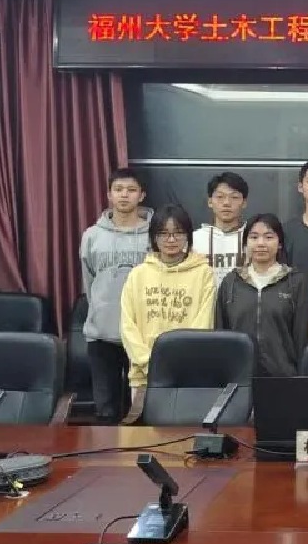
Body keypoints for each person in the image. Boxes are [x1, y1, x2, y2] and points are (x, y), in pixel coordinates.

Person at [80, 167, 152, 424]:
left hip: (142, 335)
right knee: (106, 412)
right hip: (102, 334)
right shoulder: (92, 235)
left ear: (141, 195)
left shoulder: (154, 236)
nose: (124, 195)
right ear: (109, 194)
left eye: (131, 190)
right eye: (118, 189)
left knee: (141, 413)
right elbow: (89, 281)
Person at [120, 204, 216, 395]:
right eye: (163, 233)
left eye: (178, 233)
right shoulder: (138, 275)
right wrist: (150, 363)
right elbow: (127, 326)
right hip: (144, 376)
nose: (171, 239)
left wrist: (177, 365)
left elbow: (203, 325)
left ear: (188, 235)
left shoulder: (204, 273)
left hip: (187, 374)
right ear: (154, 237)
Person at [215, 213, 308, 377]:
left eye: (269, 237)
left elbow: (303, 336)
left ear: (280, 243)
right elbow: (221, 333)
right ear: (245, 244)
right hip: (239, 377)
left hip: (284, 377)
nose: (261, 243)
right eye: (254, 237)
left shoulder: (295, 282)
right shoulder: (231, 282)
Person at [192, 171, 249, 289]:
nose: (226, 203)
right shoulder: (194, 239)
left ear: (244, 203)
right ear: (210, 202)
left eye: (234, 197)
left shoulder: (253, 238)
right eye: (220, 197)